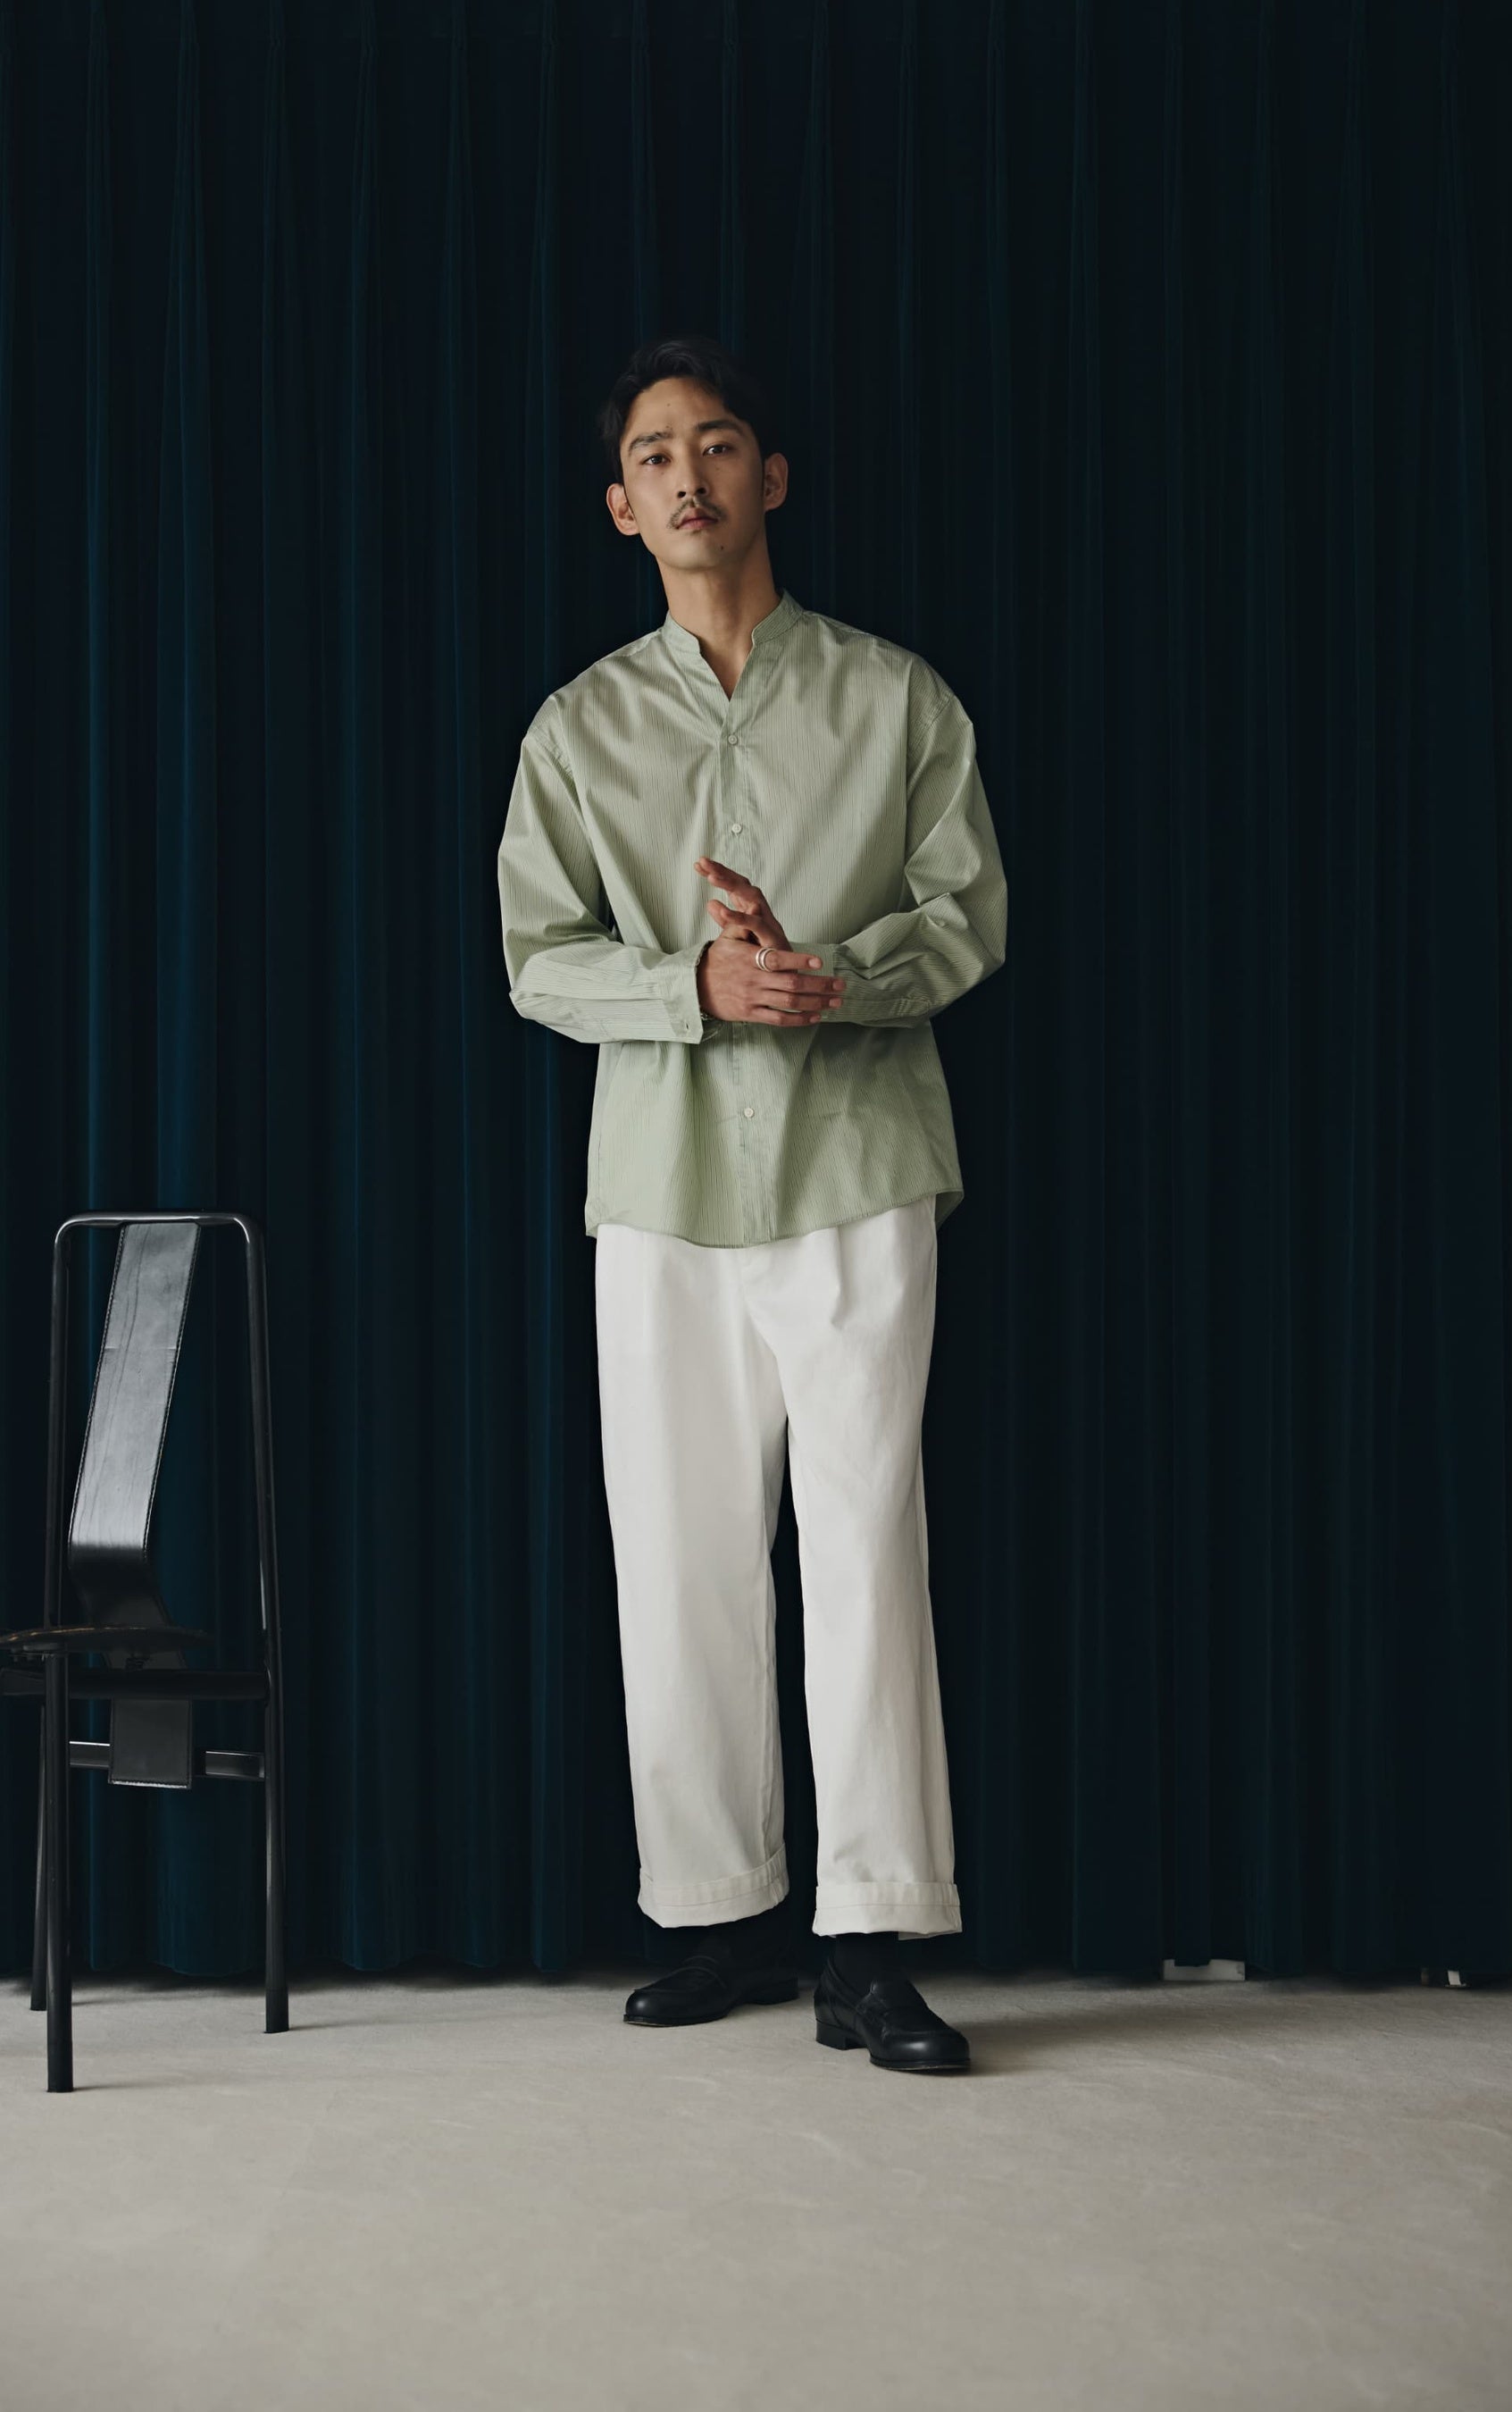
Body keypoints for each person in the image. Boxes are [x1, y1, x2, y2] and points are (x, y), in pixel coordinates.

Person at [495, 333, 1007, 2074]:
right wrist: (691, 987)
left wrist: (827, 977)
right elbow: (536, 956)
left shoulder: (898, 701)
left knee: (866, 1547)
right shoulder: (578, 729)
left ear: (769, 478)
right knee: (678, 1556)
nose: (688, 476)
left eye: (716, 445)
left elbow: (967, 912)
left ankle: (870, 1941)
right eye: (654, 455)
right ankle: (717, 1909)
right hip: (660, 1186)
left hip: (859, 1167)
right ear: (619, 507)